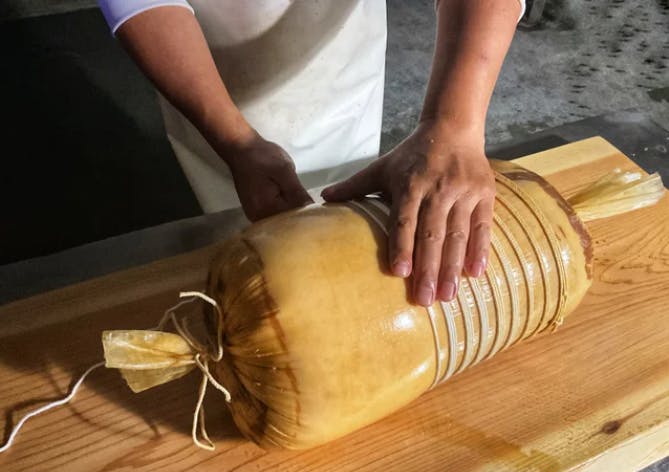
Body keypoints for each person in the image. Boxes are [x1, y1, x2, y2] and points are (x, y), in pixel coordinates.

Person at [98, 0, 525, 307]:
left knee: (359, 251)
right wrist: (235, 142)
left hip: (342, 61)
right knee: (241, 259)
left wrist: (454, 125)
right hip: (206, 68)